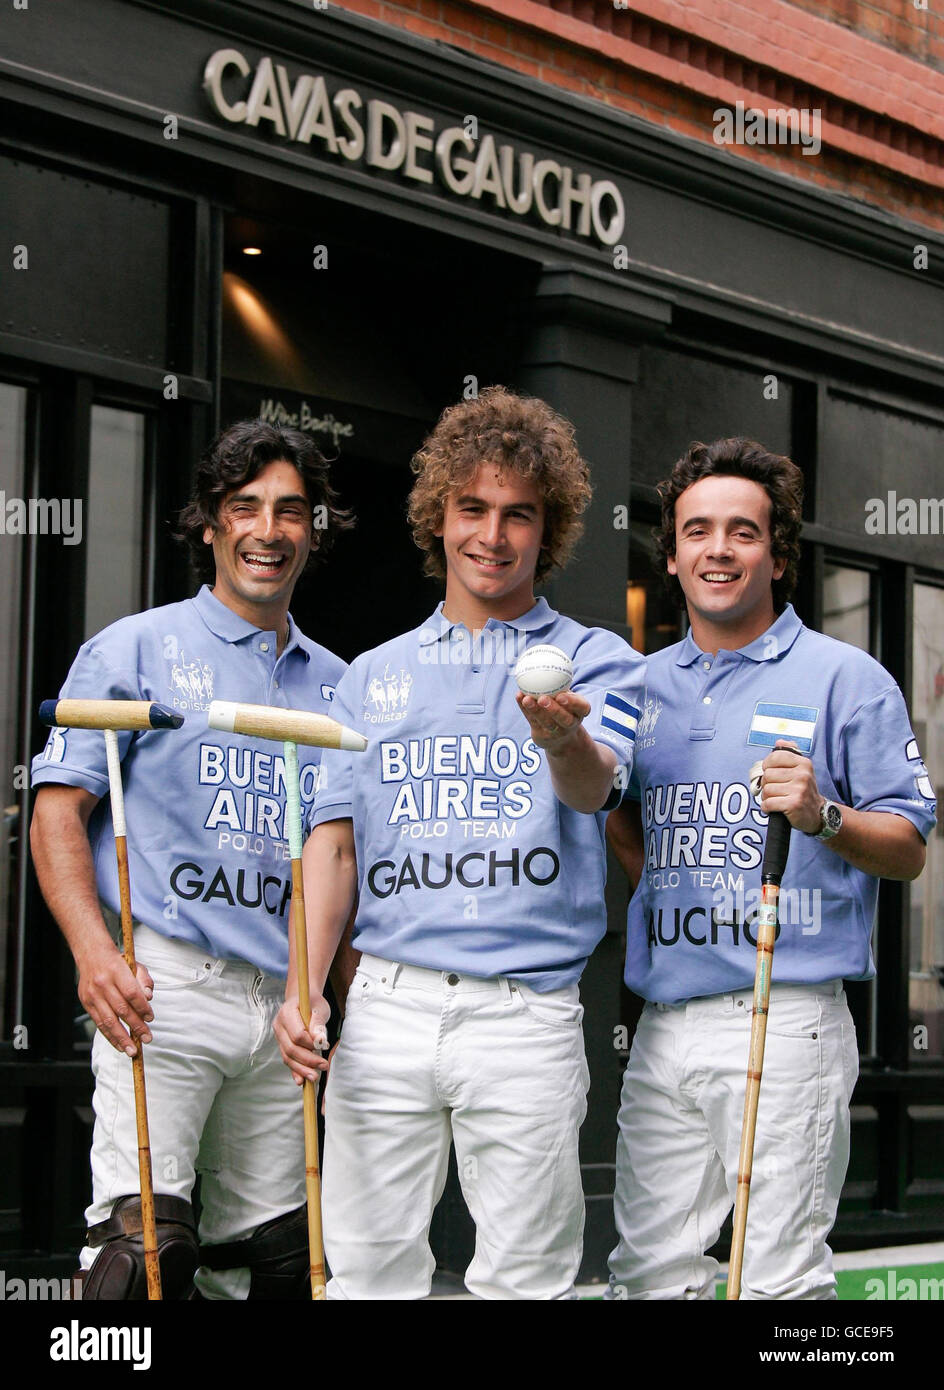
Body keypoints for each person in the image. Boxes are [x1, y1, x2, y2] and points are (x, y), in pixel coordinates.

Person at [275, 385, 646, 1299]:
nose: (493, 535)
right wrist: (305, 992)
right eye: (473, 509)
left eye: (519, 515)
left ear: (547, 530)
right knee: (364, 1275)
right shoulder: (371, 676)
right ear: (438, 516)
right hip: (389, 1008)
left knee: (525, 1281)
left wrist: (561, 736)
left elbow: (598, 786)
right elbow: (333, 851)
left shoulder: (600, 658)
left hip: (527, 1014)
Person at [606, 436, 936, 1300]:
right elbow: (626, 826)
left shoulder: (846, 678)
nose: (719, 549)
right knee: (646, 1276)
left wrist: (822, 814)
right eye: (698, 531)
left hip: (784, 1013)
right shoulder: (639, 686)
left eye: (743, 532)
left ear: (778, 553)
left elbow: (908, 846)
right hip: (666, 1017)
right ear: (671, 555)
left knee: (777, 1281)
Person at [30, 419, 352, 1299]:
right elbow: (57, 814)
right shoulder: (134, 648)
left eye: (292, 511)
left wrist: (316, 988)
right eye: (245, 508)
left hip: (284, 1002)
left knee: (276, 1267)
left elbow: (339, 855)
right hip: (161, 986)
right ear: (209, 524)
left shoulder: (338, 683)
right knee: (139, 1260)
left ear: (314, 531)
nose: (269, 530)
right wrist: (95, 953)